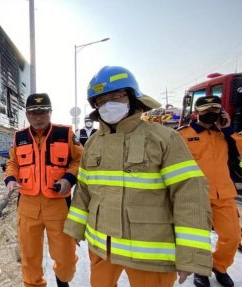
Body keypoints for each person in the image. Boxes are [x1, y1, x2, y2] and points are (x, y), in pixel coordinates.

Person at [63, 66, 212, 287]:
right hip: (102, 248)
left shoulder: (163, 138)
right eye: (101, 101)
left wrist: (191, 254)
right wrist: (75, 228)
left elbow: (190, 194)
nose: (108, 105)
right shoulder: (93, 143)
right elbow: (83, 190)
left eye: (116, 96)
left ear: (132, 98)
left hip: (150, 253)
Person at [4, 93, 83, 287]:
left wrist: (69, 178)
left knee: (66, 258)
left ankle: (62, 281)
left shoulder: (65, 134)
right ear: (27, 115)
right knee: (29, 258)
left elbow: (80, 159)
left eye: (43, 112)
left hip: (58, 205)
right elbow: (13, 162)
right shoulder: (20, 136)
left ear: (50, 112)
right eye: (33, 113)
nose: (38, 118)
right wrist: (10, 179)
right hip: (28, 206)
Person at [178, 96, 241, 287]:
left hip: (224, 194)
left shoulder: (225, 134)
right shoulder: (183, 134)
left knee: (232, 236)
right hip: (196, 195)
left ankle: (220, 266)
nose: (210, 113)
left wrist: (228, 128)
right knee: (199, 238)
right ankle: (201, 270)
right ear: (197, 112)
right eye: (206, 110)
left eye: (215, 109)